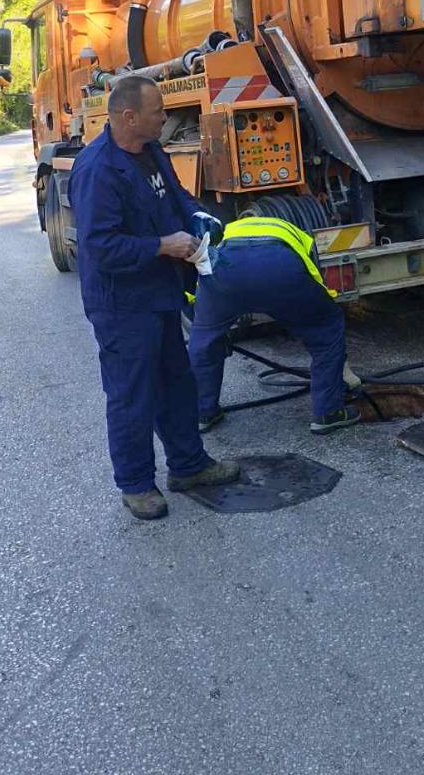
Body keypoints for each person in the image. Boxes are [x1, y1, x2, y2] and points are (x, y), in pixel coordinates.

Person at [68, 74, 238, 521]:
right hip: (122, 303)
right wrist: (164, 245)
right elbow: (101, 247)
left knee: (177, 384)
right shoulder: (98, 169)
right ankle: (136, 485)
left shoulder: (151, 151)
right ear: (129, 117)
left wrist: (199, 218)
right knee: (132, 394)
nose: (165, 116)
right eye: (158, 111)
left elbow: (175, 195)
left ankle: (188, 466)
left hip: (160, 293)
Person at [188, 210, 361, 435]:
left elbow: (199, 283)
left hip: (225, 273)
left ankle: (203, 413)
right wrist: (323, 309)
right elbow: (313, 275)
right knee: (326, 328)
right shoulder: (293, 232)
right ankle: (328, 413)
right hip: (281, 268)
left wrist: (207, 323)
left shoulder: (227, 230)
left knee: (204, 341)